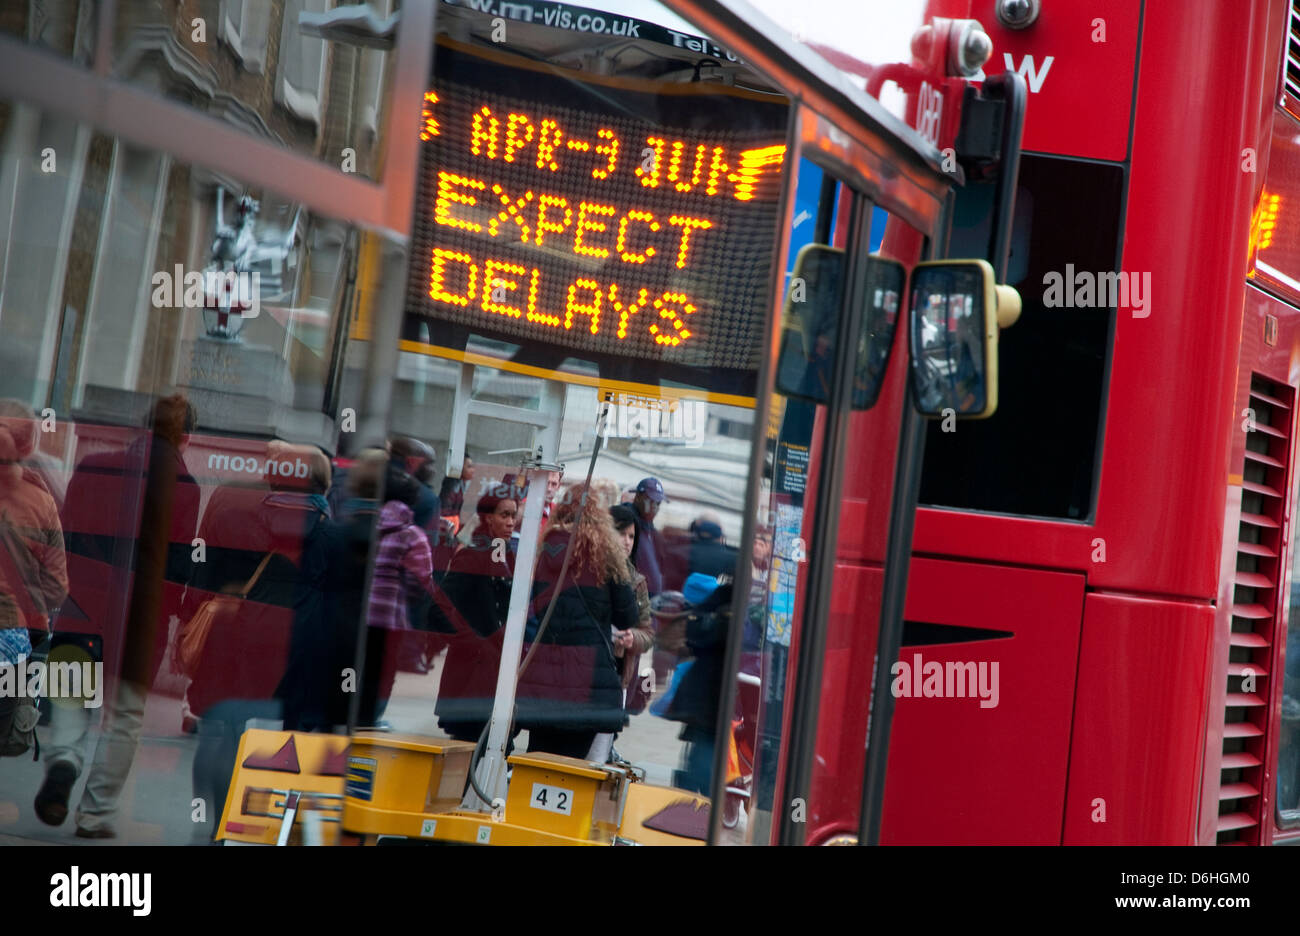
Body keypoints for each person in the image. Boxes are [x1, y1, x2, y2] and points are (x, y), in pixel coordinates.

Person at [36, 395, 193, 839]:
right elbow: (178, 564)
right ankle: (95, 814)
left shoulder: (94, 465)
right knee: (123, 714)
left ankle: (64, 760)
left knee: (69, 696)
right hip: (140, 618)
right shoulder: (186, 484)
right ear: (185, 438)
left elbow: (66, 534)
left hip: (80, 605)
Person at [516, 480, 637, 760]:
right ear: (599, 515)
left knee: (538, 757)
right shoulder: (607, 554)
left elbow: (536, 604)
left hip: (545, 673)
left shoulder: (546, 549)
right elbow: (628, 615)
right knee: (571, 767)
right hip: (587, 676)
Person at [431, 493, 518, 742]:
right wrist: (472, 641)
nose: (511, 522)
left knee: (497, 748)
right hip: (472, 674)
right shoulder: (473, 555)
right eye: (505, 515)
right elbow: (439, 605)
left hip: (496, 672)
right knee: (468, 749)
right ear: (488, 518)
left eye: (514, 515)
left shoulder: (506, 554)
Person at [608, 505, 655, 714]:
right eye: (621, 533)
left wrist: (632, 638)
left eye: (631, 536)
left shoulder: (637, 582)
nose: (627, 541)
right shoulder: (588, 570)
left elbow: (648, 633)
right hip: (584, 669)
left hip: (618, 674)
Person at [631, 477, 667, 597]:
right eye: (650, 501)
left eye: (658, 503)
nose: (654, 507)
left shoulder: (652, 532)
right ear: (638, 497)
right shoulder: (627, 523)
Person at [439, 455, 474, 535]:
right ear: (459, 469)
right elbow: (444, 513)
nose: (473, 470)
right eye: (469, 467)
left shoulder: (461, 485)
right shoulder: (453, 486)